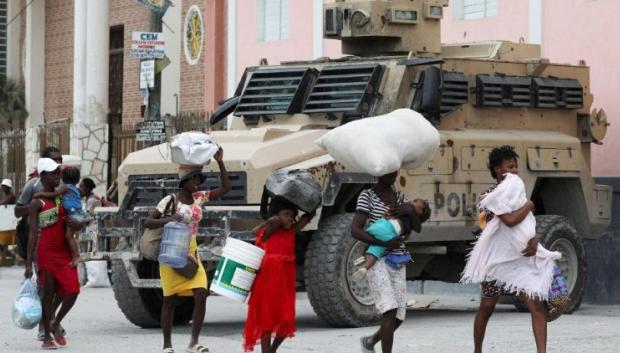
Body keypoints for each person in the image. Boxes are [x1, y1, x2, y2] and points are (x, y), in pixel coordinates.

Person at [462, 145, 554, 353]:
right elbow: (511, 221)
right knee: (486, 307)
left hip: (520, 259)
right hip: (496, 261)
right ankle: (477, 350)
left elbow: (526, 225)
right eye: (509, 167)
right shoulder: (490, 196)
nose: (514, 171)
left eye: (515, 167)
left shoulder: (519, 194)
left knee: (536, 306)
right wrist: (530, 205)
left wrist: (534, 239)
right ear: (497, 170)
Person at [145, 148, 230, 353]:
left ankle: (194, 342)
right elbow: (149, 221)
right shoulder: (170, 201)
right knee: (170, 299)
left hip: (191, 250)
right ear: (184, 181)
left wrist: (220, 162)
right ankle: (167, 345)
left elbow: (225, 187)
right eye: (194, 179)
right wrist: (169, 219)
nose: (198, 182)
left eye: (199, 179)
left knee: (201, 293)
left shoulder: (200, 198)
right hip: (172, 250)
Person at [351, 171, 423, 353]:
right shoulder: (366, 196)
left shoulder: (399, 196)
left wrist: (409, 210)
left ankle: (370, 342)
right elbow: (355, 230)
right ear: (378, 170)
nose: (391, 174)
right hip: (377, 258)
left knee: (399, 316)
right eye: (387, 170)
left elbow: (417, 227)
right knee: (389, 310)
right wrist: (383, 243)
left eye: (394, 170)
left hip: (397, 259)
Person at [243, 197, 315, 353]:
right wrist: (272, 220)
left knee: (287, 318)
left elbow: (308, 217)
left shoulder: (291, 231)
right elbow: (256, 232)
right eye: (285, 214)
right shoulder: (269, 230)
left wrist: (312, 204)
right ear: (275, 215)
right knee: (266, 320)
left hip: (286, 279)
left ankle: (272, 350)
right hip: (269, 278)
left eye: (291, 215)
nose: (289, 218)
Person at [24, 158, 83, 349]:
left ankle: (56, 322)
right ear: (42, 176)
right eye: (53, 173)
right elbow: (32, 234)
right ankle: (47, 336)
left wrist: (80, 224)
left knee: (73, 290)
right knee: (48, 293)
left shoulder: (63, 197)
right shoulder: (37, 202)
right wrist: (27, 264)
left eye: (59, 172)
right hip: (46, 252)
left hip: (64, 252)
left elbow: (77, 220)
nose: (58, 176)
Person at [14, 146, 65, 341]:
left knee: (65, 285)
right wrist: (37, 207)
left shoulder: (63, 185)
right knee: (46, 287)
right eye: (54, 160)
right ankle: (45, 327)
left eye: (60, 160)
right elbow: (18, 211)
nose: (58, 164)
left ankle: (51, 317)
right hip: (40, 243)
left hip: (61, 243)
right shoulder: (33, 185)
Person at [353, 199, 430, 281]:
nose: (412, 202)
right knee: (376, 251)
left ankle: (361, 256)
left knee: (366, 238)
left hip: (385, 225)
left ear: (420, 211)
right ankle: (365, 268)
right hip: (391, 234)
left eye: (415, 202)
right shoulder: (413, 222)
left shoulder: (407, 207)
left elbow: (389, 213)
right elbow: (407, 234)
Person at [33, 167, 85, 268]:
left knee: (68, 236)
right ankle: (74, 255)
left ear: (63, 178)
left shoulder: (66, 187)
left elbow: (54, 194)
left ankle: (76, 256)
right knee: (70, 236)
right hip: (78, 214)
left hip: (74, 215)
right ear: (77, 180)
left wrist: (40, 193)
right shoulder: (75, 189)